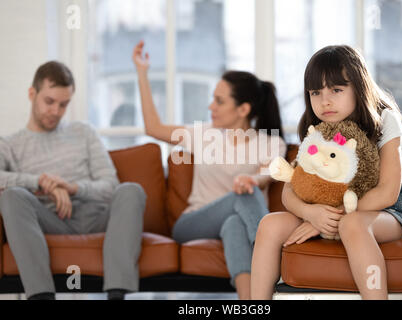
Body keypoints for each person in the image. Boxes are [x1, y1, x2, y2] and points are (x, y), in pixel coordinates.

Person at [251, 45, 402, 300]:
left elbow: (387, 192)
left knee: (352, 224)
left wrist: (333, 217)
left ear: (359, 88)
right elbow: (290, 192)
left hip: (389, 211)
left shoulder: (385, 120)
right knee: (269, 224)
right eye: (315, 92)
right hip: (326, 211)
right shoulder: (318, 128)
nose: (325, 101)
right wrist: (311, 213)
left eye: (336, 90)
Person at [132, 41, 287, 300]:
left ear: (243, 109)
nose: (210, 107)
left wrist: (253, 178)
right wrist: (141, 73)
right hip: (193, 223)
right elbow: (153, 128)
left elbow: (268, 172)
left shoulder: (271, 142)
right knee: (245, 195)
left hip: (234, 221)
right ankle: (277, 259)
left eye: (219, 101)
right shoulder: (204, 134)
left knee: (234, 224)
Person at [0, 61, 147, 300]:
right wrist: (41, 182)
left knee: (131, 190)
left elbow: (111, 185)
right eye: (49, 102)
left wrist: (73, 188)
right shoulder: (10, 144)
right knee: (12, 196)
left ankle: (117, 294)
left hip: (95, 217)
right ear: (32, 94)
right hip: (49, 221)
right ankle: (41, 296)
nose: (56, 111)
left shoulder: (84, 132)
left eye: (63, 104)